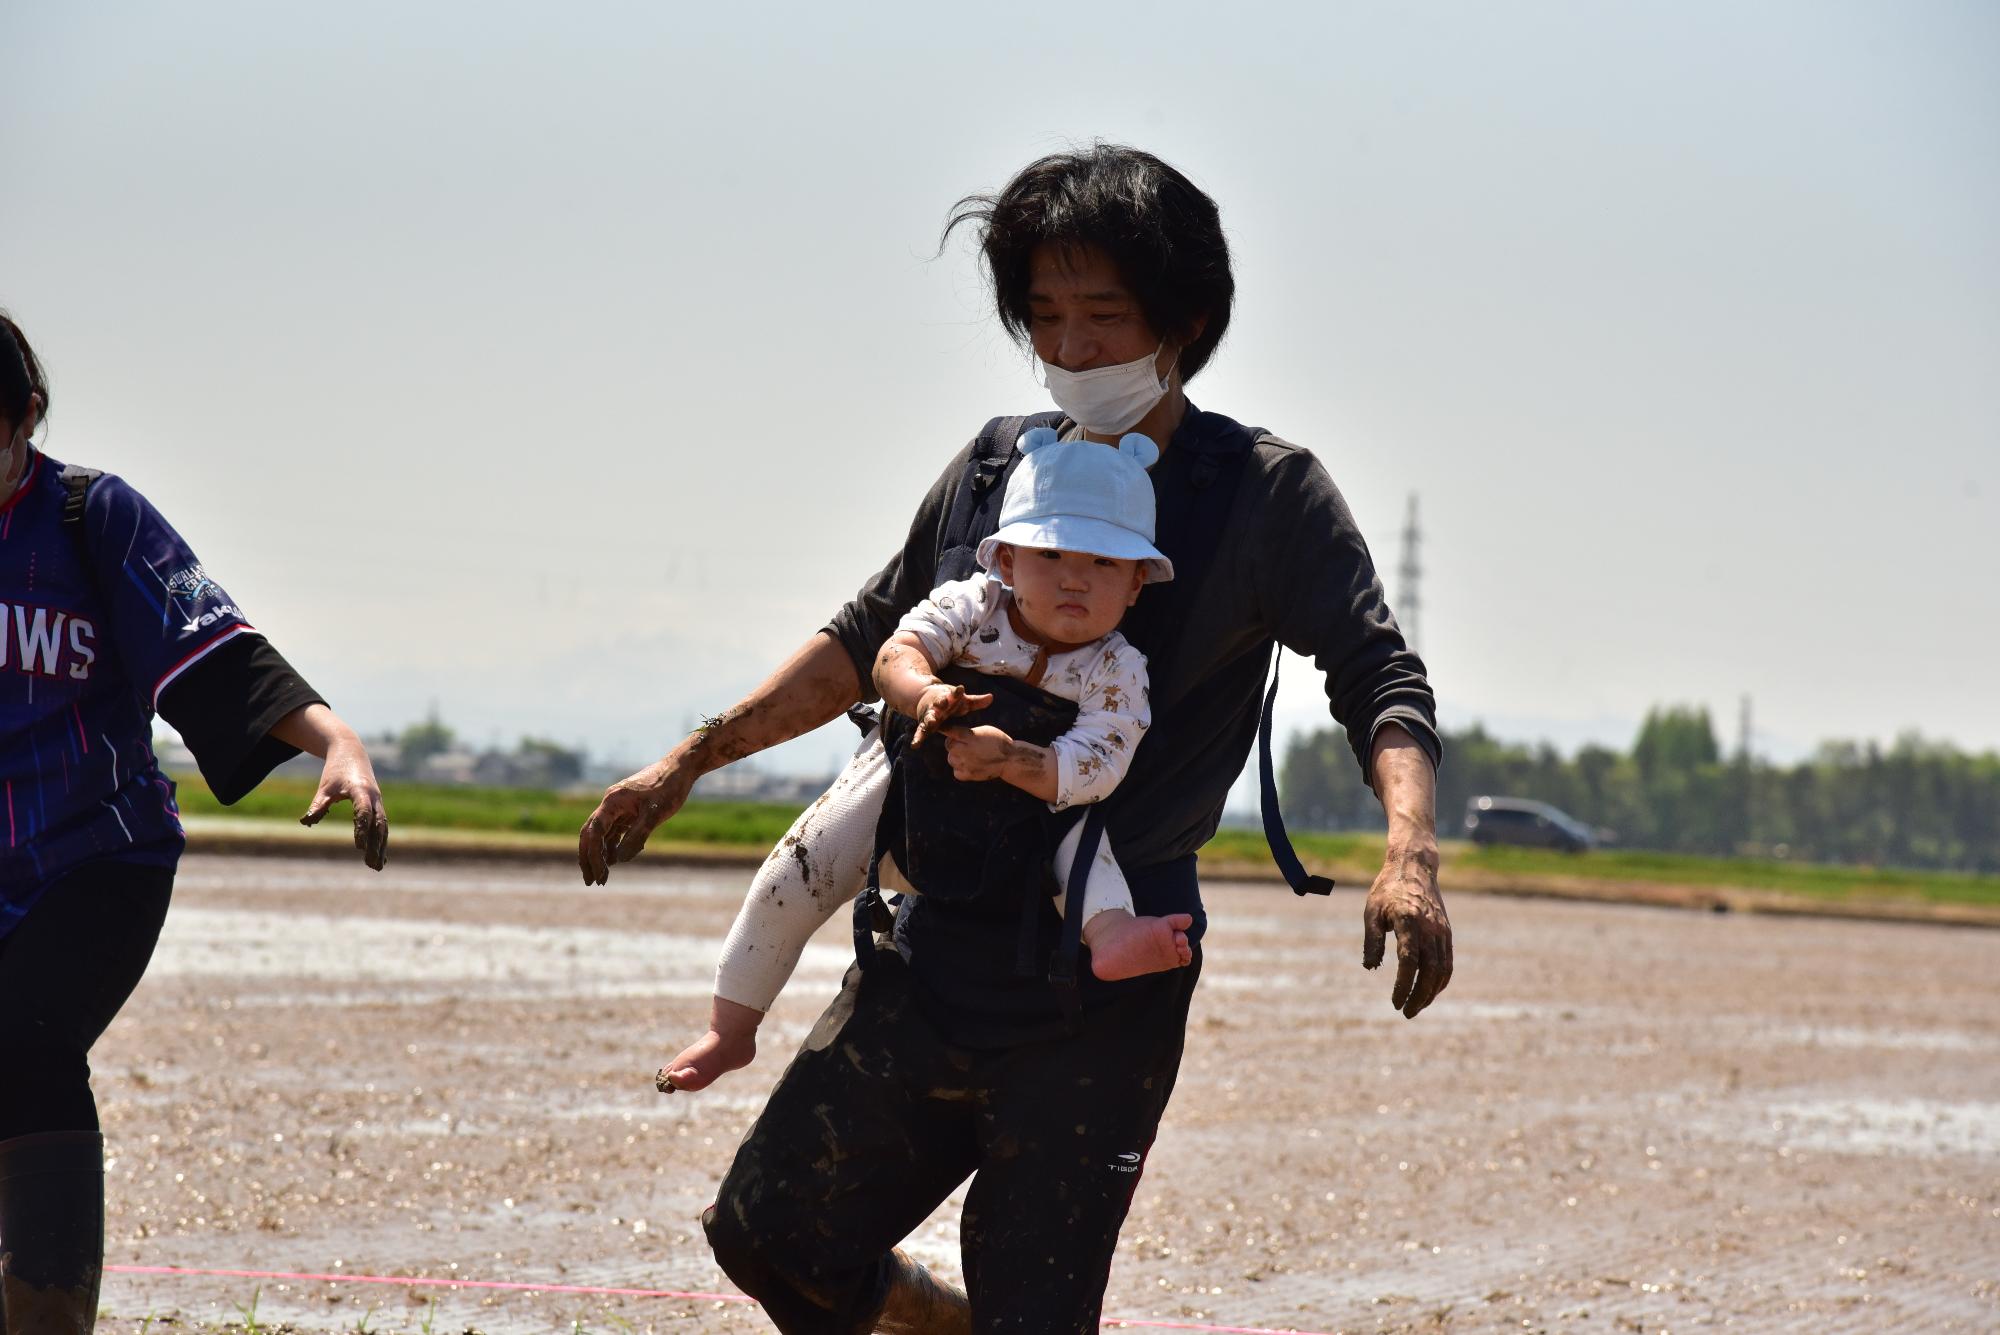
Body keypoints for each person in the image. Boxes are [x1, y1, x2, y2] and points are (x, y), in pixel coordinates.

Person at [579, 144, 1452, 1332]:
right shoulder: (996, 468)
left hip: (1100, 974)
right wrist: (690, 759)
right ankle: (927, 1322)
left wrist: (1409, 853)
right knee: (769, 1232)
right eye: (1044, 318)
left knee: (1032, 1307)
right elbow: (863, 635)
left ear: (1185, 321)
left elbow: (1376, 674)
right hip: (932, 949)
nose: (1072, 349)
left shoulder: (1264, 495)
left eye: (1103, 315)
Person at [0, 311, 390, 1335]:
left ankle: (47, 1309)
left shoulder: (94, 519)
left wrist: (335, 741)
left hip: (97, 857)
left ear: (25, 419)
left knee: (24, 1038)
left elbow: (218, 654)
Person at [660, 426, 1193, 1094]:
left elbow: (1101, 760)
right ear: (1006, 560)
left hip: (1028, 821)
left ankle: (1111, 934)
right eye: (1052, 554)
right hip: (904, 791)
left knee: (1086, 847)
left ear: (1138, 583)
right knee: (795, 871)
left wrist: (1015, 759)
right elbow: (893, 655)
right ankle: (728, 1030)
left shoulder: (1115, 666)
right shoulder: (971, 605)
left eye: (1105, 563)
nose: (1076, 579)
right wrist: (927, 693)